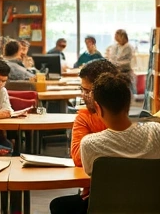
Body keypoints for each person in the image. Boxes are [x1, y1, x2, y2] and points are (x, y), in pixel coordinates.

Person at [80, 72, 160, 177]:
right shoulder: (155, 132)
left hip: (111, 206)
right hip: (154, 205)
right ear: (128, 104)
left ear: (98, 108)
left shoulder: (90, 145)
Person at [49, 59, 118, 214]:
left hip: (99, 200)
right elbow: (78, 157)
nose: (83, 95)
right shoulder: (85, 116)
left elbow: (82, 156)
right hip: (130, 201)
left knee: (59, 206)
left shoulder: (90, 136)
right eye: (82, 89)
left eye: (87, 91)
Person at [106, 28, 137, 94]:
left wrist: (117, 63)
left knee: (126, 91)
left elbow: (128, 61)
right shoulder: (115, 46)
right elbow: (112, 57)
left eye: (118, 36)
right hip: (116, 71)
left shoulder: (128, 47)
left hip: (125, 72)